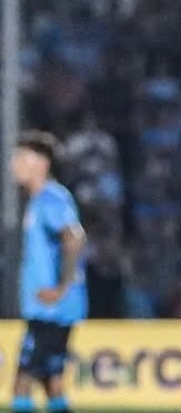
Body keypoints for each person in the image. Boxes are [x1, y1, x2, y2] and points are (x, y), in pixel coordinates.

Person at [9, 131, 87, 413]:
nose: (14, 165)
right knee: (51, 381)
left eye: (22, 158)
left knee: (21, 383)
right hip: (52, 309)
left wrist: (62, 287)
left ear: (42, 163)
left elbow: (74, 237)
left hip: (51, 310)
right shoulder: (39, 200)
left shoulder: (50, 198)